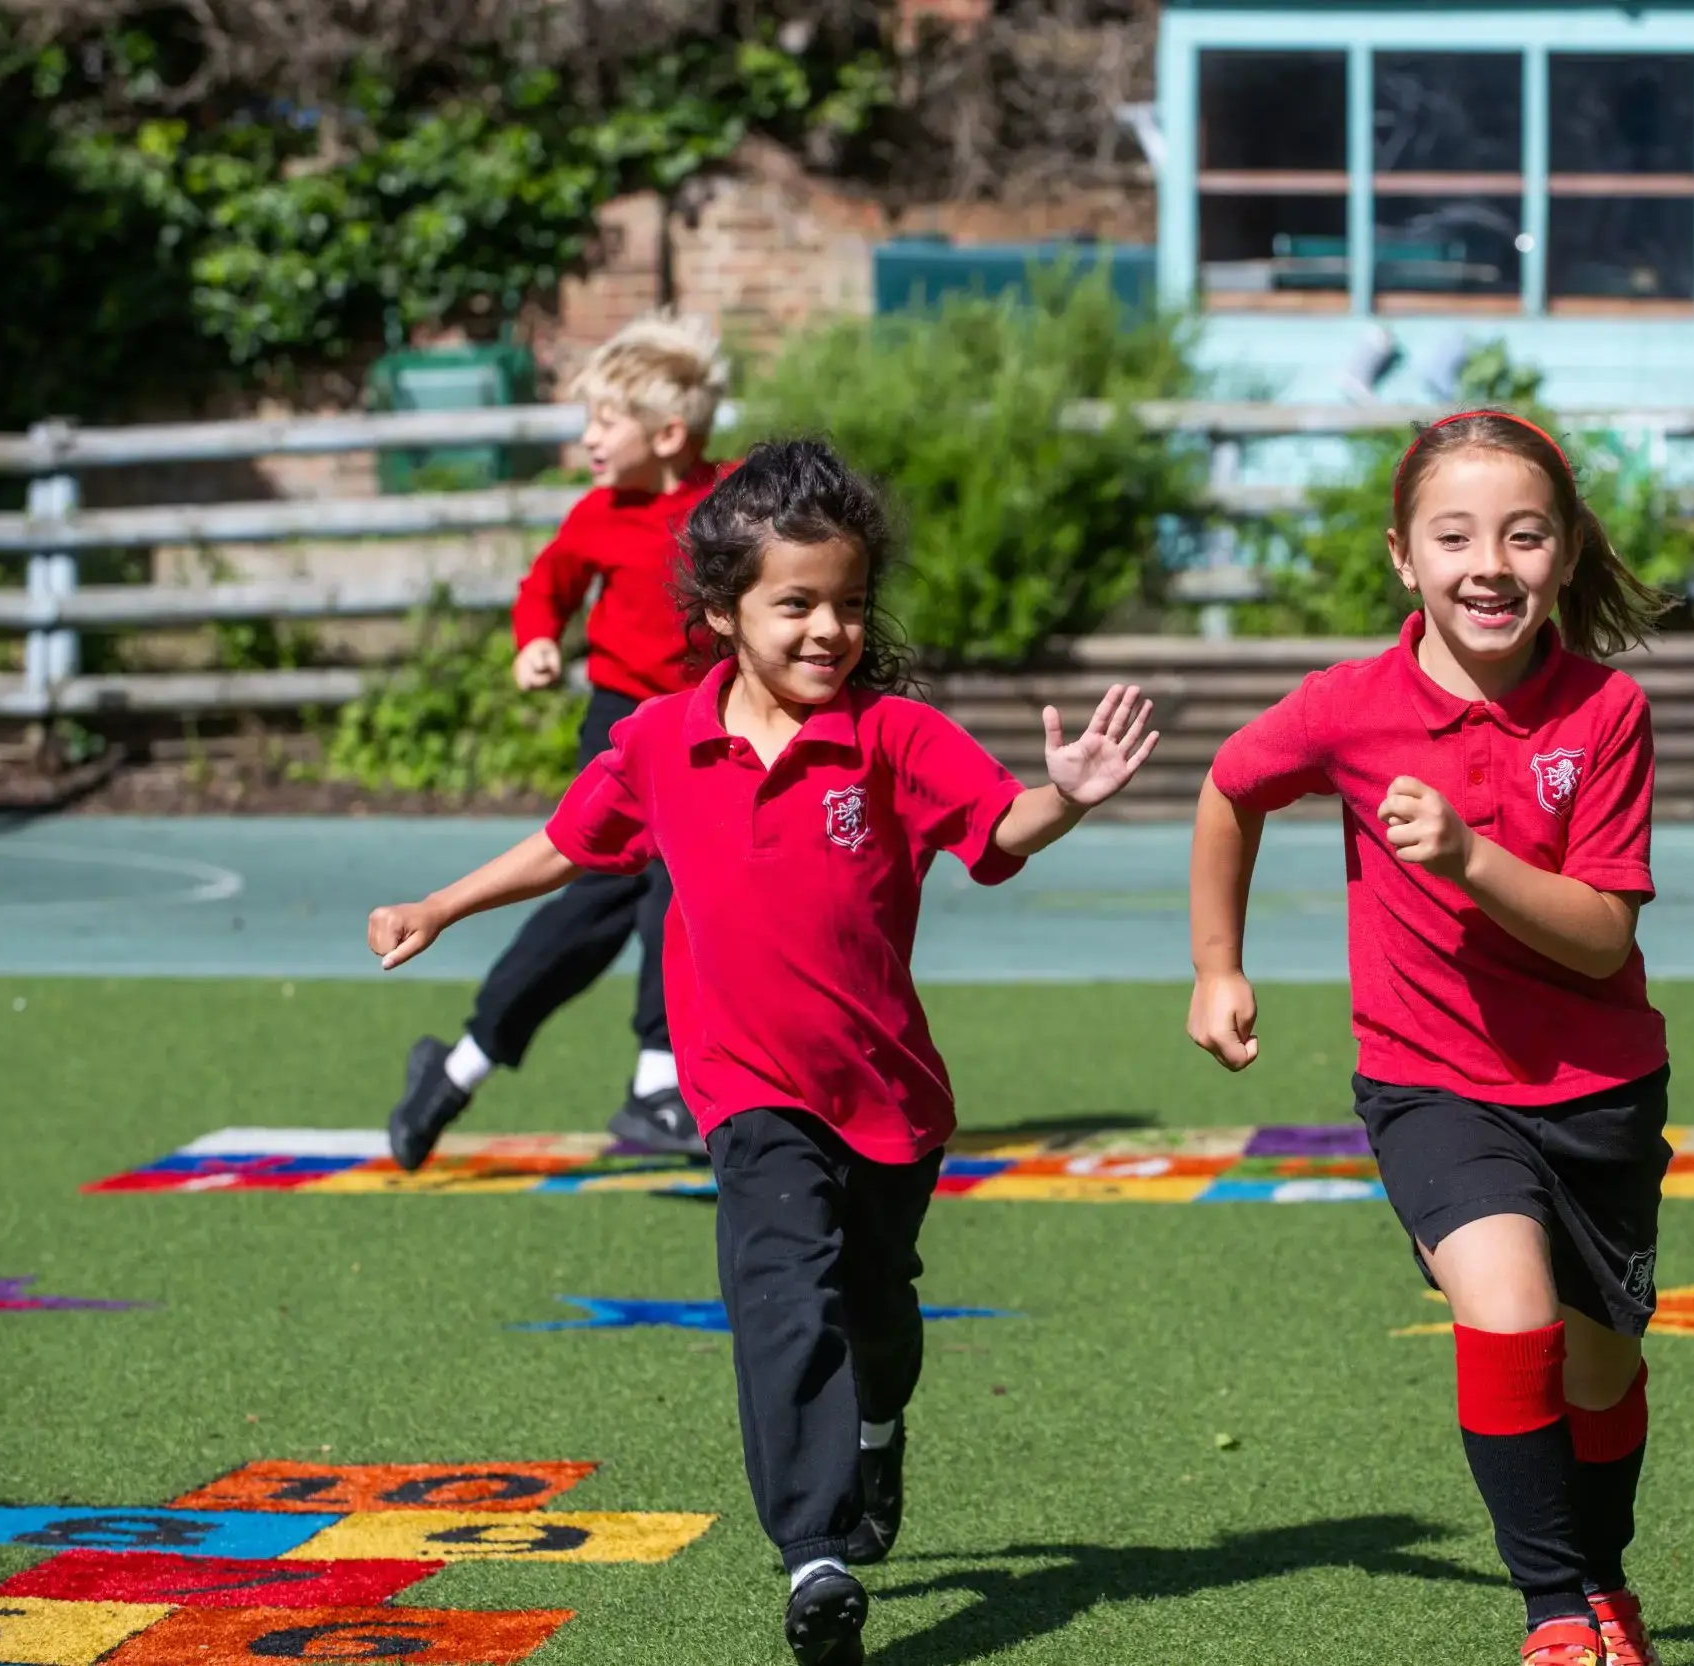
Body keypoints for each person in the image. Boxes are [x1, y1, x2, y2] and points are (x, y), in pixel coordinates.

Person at [366, 439, 1159, 1666]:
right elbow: (571, 845)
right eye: (796, 604)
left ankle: (881, 1426)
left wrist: (1066, 795)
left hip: (887, 1096)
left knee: (878, 1310)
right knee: (780, 1299)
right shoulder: (658, 743)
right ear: (723, 611)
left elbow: (998, 829)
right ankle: (817, 1551)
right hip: (745, 1090)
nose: (828, 629)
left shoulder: (893, 734)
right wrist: (440, 904)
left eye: (847, 604)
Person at [1187, 410, 1673, 1666]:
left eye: (1523, 534)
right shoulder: (1345, 708)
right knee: (1507, 1315)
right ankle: (1556, 1614)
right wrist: (1217, 965)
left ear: (1564, 553)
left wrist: (1467, 856)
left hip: (1596, 1088)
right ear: (1403, 557)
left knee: (1599, 1372)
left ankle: (1604, 1578)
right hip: (1429, 1086)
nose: (1488, 563)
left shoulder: (1607, 712)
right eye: (1452, 534)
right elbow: (1230, 787)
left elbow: (1599, 938)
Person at [383, 312, 733, 1169]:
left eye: (604, 422)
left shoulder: (736, 500)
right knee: (611, 891)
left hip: (708, 725)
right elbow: (546, 586)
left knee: (679, 885)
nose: (587, 439)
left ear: (670, 434)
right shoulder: (597, 517)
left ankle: (470, 1072)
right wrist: (536, 638)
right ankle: (621, 1081)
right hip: (622, 722)